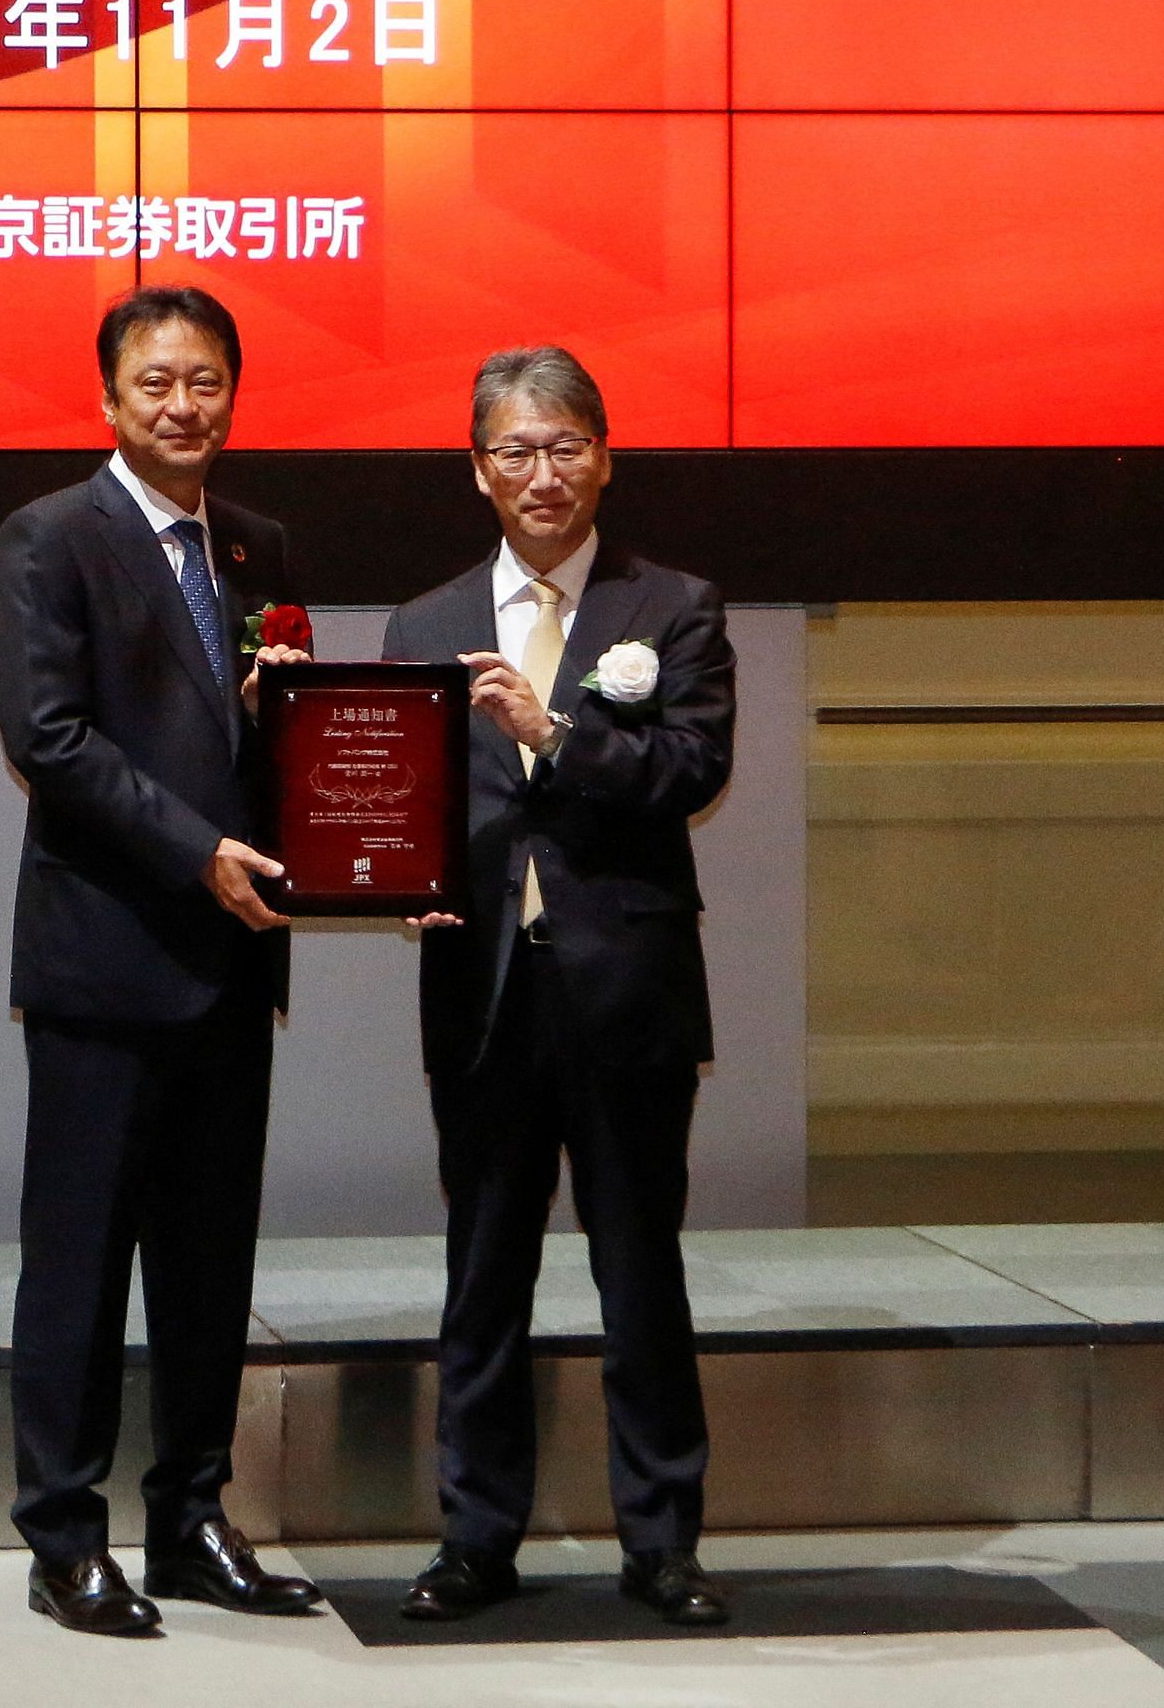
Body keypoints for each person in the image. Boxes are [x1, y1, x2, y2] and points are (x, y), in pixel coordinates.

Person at [379, 344, 737, 1629]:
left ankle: (663, 1542)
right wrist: (392, 879)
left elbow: (690, 768)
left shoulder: (674, 606)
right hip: (477, 991)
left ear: (605, 453)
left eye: (565, 445)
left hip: (626, 987)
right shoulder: (422, 624)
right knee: (482, 1272)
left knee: (640, 1268)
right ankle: (474, 1537)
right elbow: (398, 800)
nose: (542, 473)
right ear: (476, 470)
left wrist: (555, 733)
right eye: (514, 451)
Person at [0, 285, 324, 1637]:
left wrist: (380, 869)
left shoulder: (256, 545)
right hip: (106, 962)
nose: (184, 405)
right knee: (77, 1261)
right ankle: (63, 1538)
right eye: (156, 384)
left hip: (234, 968)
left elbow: (292, 742)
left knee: (208, 1262)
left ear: (234, 391)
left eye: (206, 381)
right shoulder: (49, 539)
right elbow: (49, 742)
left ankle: (189, 1518)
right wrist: (198, 852)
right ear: (111, 400)